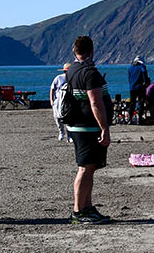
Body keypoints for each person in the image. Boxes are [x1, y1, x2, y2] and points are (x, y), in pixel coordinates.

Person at [59, 35, 114, 224]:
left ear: (74, 51)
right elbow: (95, 102)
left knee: (89, 168)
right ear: (92, 51)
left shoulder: (72, 70)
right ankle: (78, 211)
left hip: (77, 125)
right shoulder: (90, 73)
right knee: (85, 168)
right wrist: (104, 128)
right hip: (88, 127)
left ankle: (87, 207)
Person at [48, 68, 71, 140]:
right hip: (57, 100)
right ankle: (61, 131)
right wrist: (51, 100)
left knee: (69, 117)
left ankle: (69, 135)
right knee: (57, 117)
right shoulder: (58, 78)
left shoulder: (72, 78)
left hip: (68, 100)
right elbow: (52, 89)